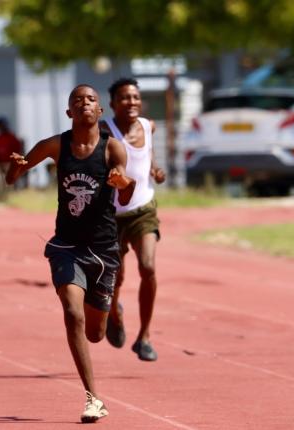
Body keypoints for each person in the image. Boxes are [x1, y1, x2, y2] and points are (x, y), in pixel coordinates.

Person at [6, 84, 136, 423]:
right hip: (67, 246)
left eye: (90, 100)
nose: (84, 104)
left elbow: (126, 193)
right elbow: (13, 176)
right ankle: (94, 398)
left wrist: (124, 184)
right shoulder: (56, 145)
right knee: (73, 314)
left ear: (100, 111)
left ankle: (112, 308)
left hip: (104, 249)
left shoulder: (114, 150)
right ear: (69, 112)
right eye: (77, 101)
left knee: (95, 332)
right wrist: (15, 166)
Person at [100, 77, 166, 362]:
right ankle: (114, 311)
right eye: (125, 98)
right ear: (113, 104)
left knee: (148, 267)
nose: (131, 102)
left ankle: (145, 336)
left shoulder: (149, 126)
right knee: (117, 276)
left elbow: (146, 155)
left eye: (136, 97)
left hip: (142, 210)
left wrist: (154, 169)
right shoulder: (105, 131)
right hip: (111, 214)